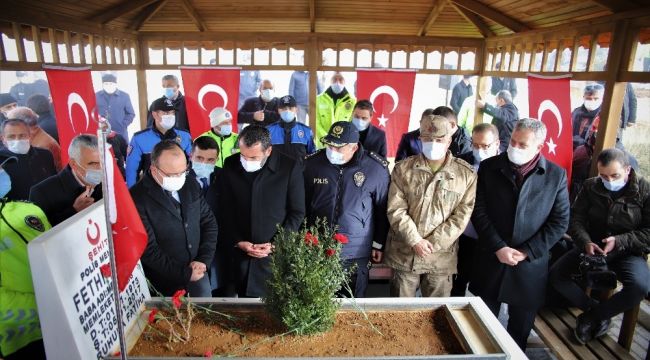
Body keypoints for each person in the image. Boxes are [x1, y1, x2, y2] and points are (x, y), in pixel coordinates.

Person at [469, 118, 570, 350]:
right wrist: (498, 246)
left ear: (539, 147)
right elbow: (478, 210)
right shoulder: (490, 167)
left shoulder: (555, 175)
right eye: (512, 141)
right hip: (491, 257)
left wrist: (527, 251)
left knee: (519, 332)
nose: (514, 147)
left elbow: (559, 221)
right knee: (482, 327)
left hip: (529, 267)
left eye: (522, 145)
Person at [550, 148, 650, 345]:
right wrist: (585, 241)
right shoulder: (590, 186)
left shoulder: (645, 191)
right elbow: (576, 219)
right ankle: (596, 311)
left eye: (615, 175)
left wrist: (620, 241)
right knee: (556, 275)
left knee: (640, 286)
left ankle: (591, 318)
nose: (609, 180)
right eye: (603, 175)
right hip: (593, 247)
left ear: (628, 170)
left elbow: (648, 232)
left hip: (627, 251)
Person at [384, 115, 477, 298]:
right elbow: (396, 209)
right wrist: (415, 241)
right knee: (399, 315)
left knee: (437, 315)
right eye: (427, 139)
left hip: (440, 258)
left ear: (449, 140)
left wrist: (432, 243)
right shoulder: (403, 169)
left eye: (439, 139)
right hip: (405, 254)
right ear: (420, 139)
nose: (433, 143)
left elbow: (461, 216)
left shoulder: (465, 174)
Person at [304, 121, 390, 297]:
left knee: (352, 302)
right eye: (329, 145)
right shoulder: (311, 165)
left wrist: (378, 244)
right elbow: (302, 205)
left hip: (356, 250)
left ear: (353, 147)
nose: (331, 151)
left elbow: (382, 211)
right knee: (317, 300)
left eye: (338, 148)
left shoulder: (375, 169)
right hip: (318, 247)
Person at [219, 125, 305, 297]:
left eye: (253, 157)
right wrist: (237, 241)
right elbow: (225, 208)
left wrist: (276, 244)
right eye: (243, 155)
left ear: (268, 151)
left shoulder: (289, 167)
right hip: (241, 252)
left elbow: (297, 212)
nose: (246, 161)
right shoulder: (230, 164)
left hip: (274, 254)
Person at [131, 140, 218, 297]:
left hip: (198, 274)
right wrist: (184, 273)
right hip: (163, 283)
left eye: (183, 172)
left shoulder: (190, 184)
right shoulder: (137, 198)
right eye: (172, 174)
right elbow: (148, 249)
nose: (179, 178)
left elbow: (209, 223)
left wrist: (203, 260)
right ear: (154, 169)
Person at [0, 156, 51, 360]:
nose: (3, 175)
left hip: (59, 322)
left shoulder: (28, 209)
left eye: (2, 169)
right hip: (19, 337)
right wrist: (45, 306)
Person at [450, 123, 500, 296]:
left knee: (485, 287)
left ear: (497, 144)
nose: (479, 150)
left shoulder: (504, 165)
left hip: (491, 237)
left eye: (485, 146)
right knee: (458, 279)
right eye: (475, 145)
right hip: (465, 233)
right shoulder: (461, 161)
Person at [29, 134, 103, 227]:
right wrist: (73, 211)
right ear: (73, 164)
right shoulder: (41, 193)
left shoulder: (109, 182)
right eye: (93, 163)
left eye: (103, 161)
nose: (100, 168)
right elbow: (39, 232)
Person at [188, 136, 231, 296]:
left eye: (210, 160)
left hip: (221, 248)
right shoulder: (180, 179)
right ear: (191, 155)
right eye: (199, 158)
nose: (204, 163)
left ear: (217, 159)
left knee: (223, 293)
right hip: (193, 250)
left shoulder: (224, 177)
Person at [126, 98, 192, 188]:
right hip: (151, 189)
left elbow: (192, 163)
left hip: (179, 187)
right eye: (166, 113)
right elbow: (131, 171)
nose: (171, 116)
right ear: (155, 114)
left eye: (172, 113)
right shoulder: (139, 139)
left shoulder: (184, 136)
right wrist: (132, 194)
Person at [0, 119, 56, 201]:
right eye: (11, 137)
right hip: (20, 211)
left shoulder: (45, 154)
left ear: (30, 135)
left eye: (22, 135)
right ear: (3, 138)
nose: (17, 140)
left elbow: (54, 180)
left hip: (52, 205)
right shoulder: (1, 162)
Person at [267, 95, 316, 162]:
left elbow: (312, 155)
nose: (287, 110)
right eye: (284, 108)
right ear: (278, 110)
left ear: (296, 110)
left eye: (290, 108)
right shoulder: (269, 131)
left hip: (300, 172)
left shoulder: (306, 131)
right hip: (275, 172)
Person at [316, 73, 356, 148]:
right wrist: (327, 139)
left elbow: (352, 124)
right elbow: (316, 122)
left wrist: (339, 140)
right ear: (330, 81)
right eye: (334, 79)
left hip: (342, 146)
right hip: (322, 144)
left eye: (340, 80)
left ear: (345, 82)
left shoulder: (352, 102)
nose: (337, 82)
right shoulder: (319, 99)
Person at [95, 73, 136, 142]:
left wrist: (123, 124)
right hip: (103, 133)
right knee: (104, 152)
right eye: (106, 84)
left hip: (120, 133)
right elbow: (93, 112)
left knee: (122, 151)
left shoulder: (124, 96)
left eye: (111, 83)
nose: (108, 86)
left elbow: (131, 113)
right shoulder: (96, 96)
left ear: (115, 84)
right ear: (102, 84)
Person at [571, 84, 604, 149]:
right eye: (588, 98)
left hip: (590, 152)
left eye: (596, 98)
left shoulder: (604, 116)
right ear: (583, 97)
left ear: (602, 99)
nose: (592, 101)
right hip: (571, 148)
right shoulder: (576, 112)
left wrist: (584, 144)